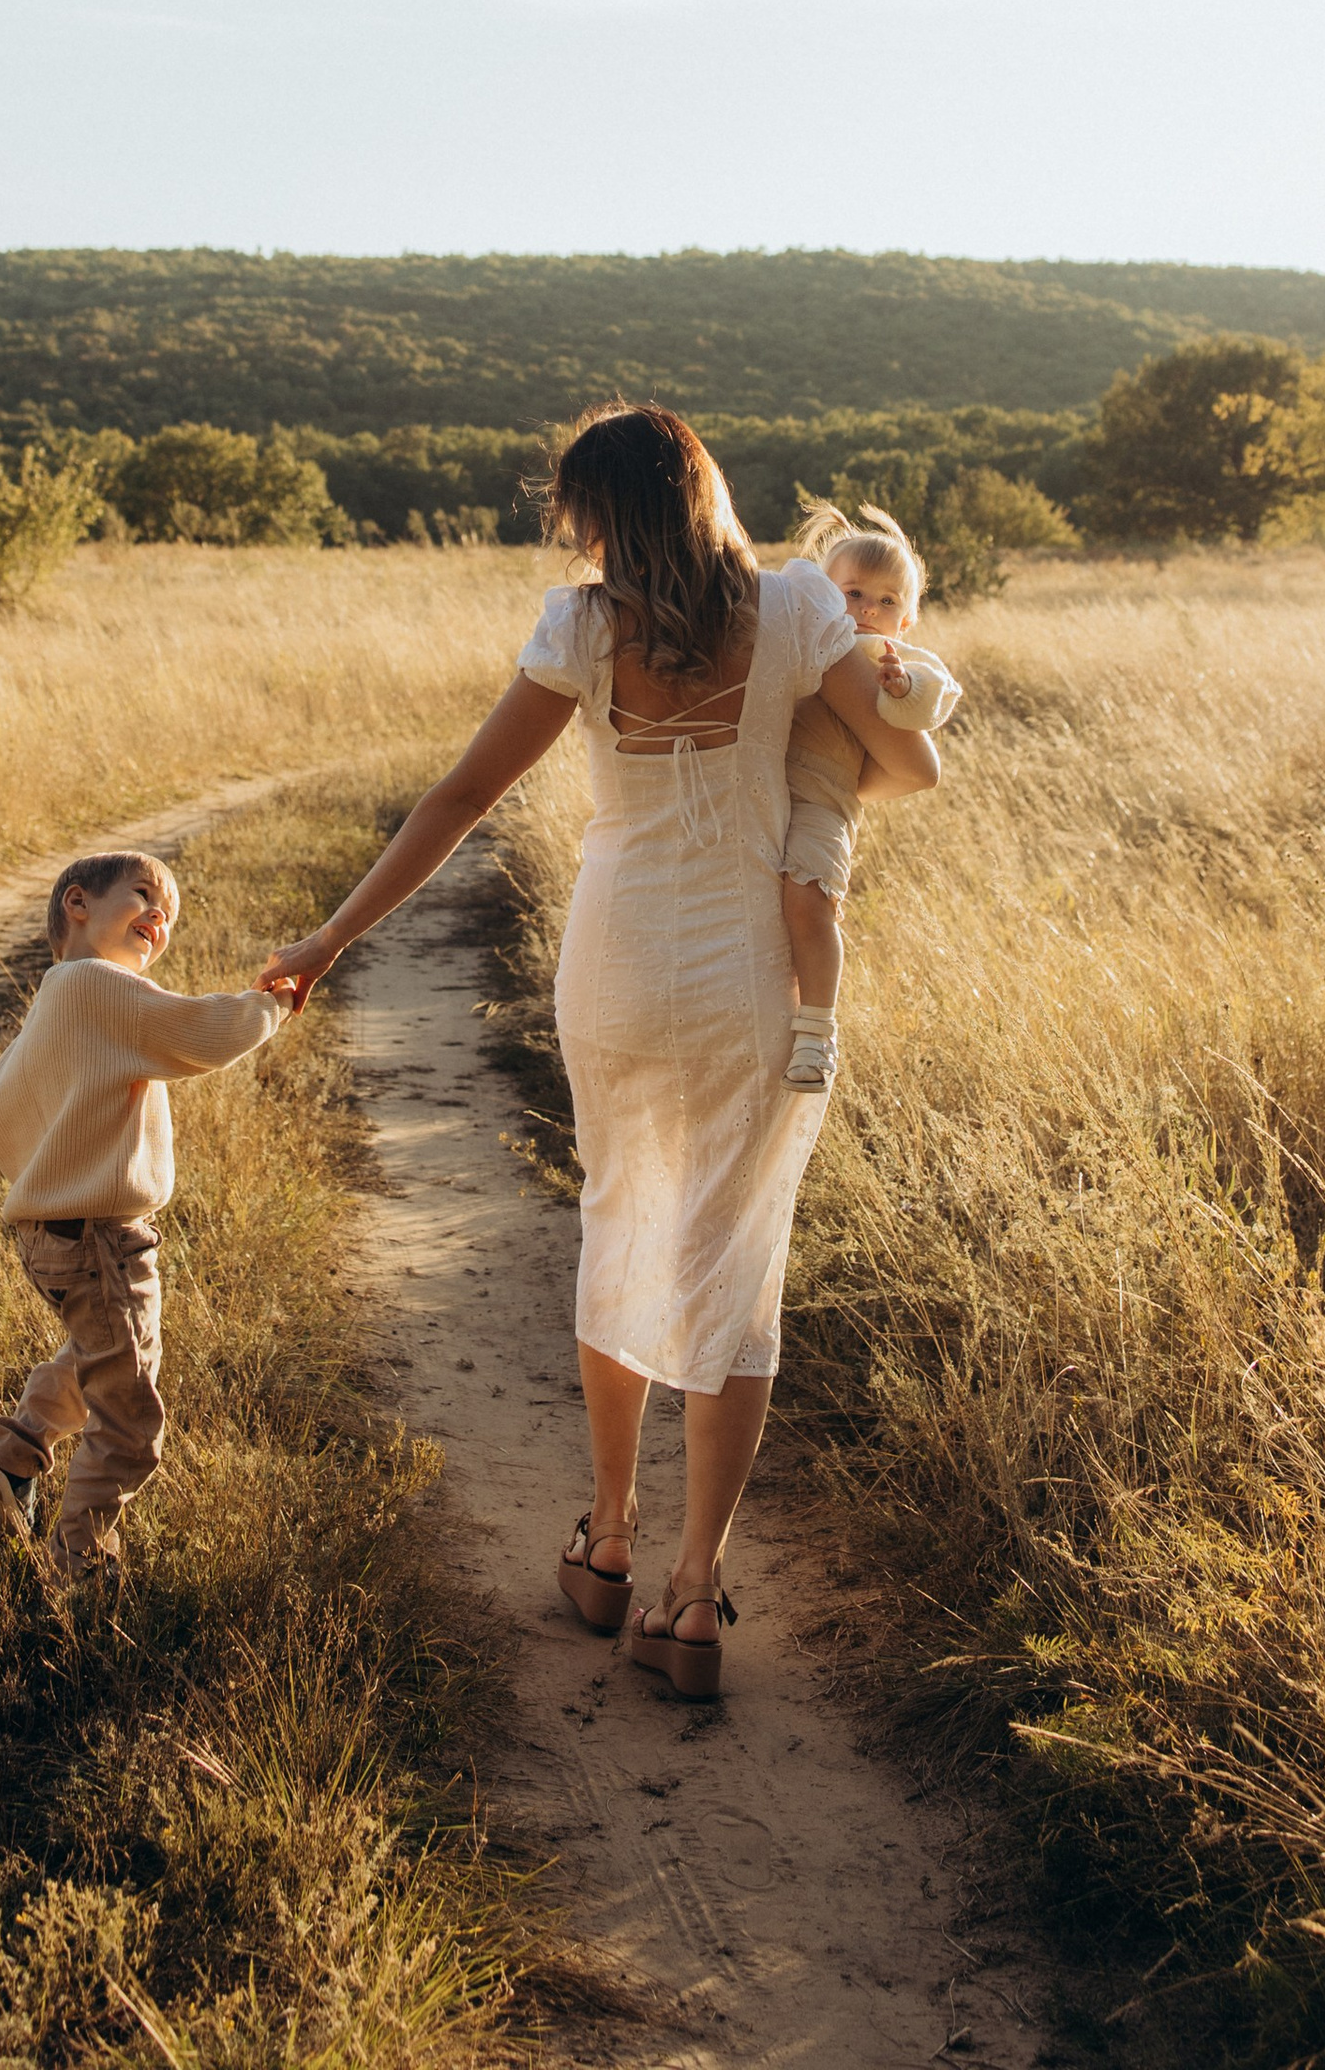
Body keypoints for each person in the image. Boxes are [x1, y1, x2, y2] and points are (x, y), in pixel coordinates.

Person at [258, 402, 940, 1701]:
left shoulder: (583, 626)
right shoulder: (798, 609)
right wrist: (828, 754)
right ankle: (693, 1593)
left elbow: (461, 796)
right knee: (738, 1264)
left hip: (616, 966)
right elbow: (905, 763)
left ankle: (610, 1536)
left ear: (603, 514)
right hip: (747, 966)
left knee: (624, 1221)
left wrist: (332, 939)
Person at [0, 850, 284, 1568]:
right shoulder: (100, 986)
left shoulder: (56, 998)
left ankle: (14, 1455)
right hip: (105, 1239)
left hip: (56, 1239)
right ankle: (79, 1566)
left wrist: (44, 1174)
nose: (159, 917)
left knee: (106, 1356)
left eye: (167, 914)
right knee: (130, 1421)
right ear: (78, 904)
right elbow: (202, 1033)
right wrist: (276, 1002)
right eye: (144, 895)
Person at [776, 502, 963, 1093]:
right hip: (766, 789)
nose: (867, 611)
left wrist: (901, 687)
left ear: (906, 621)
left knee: (810, 902)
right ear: (822, 594)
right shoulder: (802, 635)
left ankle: (816, 1032)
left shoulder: (895, 660)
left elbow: (935, 697)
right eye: (854, 594)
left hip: (822, 804)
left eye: (887, 603)